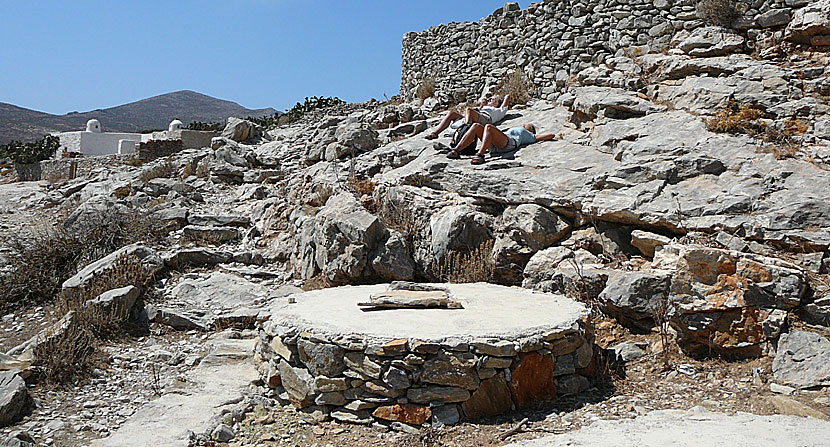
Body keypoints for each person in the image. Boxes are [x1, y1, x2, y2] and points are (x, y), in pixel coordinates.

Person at [425, 85, 511, 140]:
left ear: (497, 103)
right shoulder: (485, 107)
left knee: (468, 110)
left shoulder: (499, 111)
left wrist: (500, 96)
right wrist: (482, 105)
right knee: (452, 113)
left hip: (485, 119)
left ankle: (464, 131)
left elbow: (508, 97)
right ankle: (435, 133)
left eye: (493, 100)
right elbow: (478, 111)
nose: (490, 100)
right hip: (473, 116)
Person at [446, 123, 555, 165]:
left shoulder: (528, 135)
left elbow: (550, 135)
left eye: (527, 125)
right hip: (497, 142)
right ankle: (457, 150)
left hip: (509, 142)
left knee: (488, 127)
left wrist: (558, 135)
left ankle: (480, 155)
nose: (524, 124)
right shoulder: (518, 129)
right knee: (476, 126)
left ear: (530, 130)